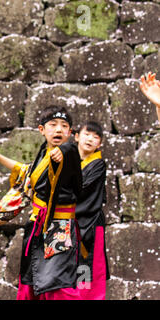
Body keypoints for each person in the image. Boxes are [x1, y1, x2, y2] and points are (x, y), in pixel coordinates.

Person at [0, 106, 83, 300]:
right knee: (31, 280)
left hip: (59, 228)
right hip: (37, 226)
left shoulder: (69, 153)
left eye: (64, 126)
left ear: (70, 133)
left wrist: (64, 151)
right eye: (53, 125)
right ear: (41, 129)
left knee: (57, 283)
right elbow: (30, 174)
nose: (59, 130)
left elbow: (70, 152)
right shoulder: (44, 154)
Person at [74, 121, 110, 300]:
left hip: (89, 224)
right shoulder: (70, 162)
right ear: (77, 136)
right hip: (72, 223)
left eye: (96, 137)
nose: (90, 139)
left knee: (86, 266)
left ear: (99, 144)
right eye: (87, 134)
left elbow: (83, 190)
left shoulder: (97, 164)